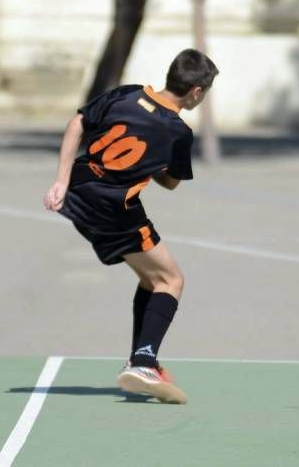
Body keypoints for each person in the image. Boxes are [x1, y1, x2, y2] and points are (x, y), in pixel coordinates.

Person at [43, 49, 219, 404]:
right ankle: (143, 362)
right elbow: (170, 183)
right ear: (196, 92)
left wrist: (60, 179)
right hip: (113, 210)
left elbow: (79, 122)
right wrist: (152, 161)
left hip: (78, 190)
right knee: (171, 280)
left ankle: (141, 356)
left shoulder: (128, 93)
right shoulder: (178, 132)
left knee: (149, 279)